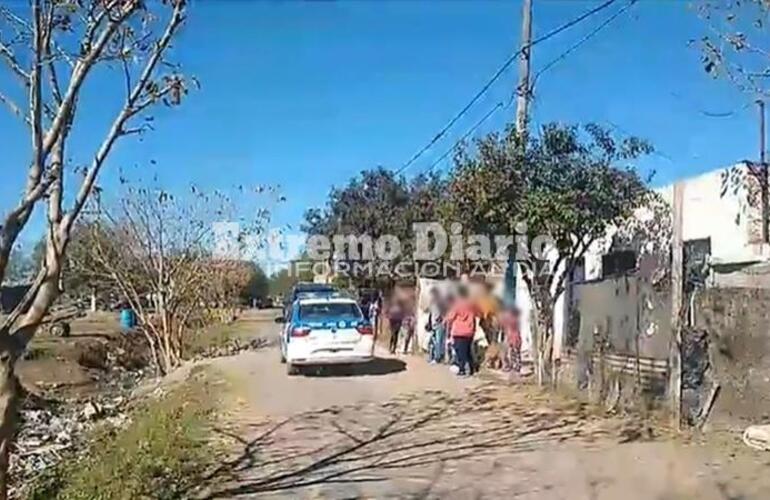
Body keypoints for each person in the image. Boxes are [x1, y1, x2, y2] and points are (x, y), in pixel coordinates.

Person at [443, 285, 479, 376]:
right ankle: (472, 367)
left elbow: (451, 316)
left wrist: (445, 320)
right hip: (470, 331)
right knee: (467, 351)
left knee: (460, 352)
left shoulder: (457, 304)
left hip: (459, 332)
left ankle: (462, 369)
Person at [427, 287, 447, 363]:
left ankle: (437, 357)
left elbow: (440, 315)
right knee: (433, 342)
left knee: (438, 341)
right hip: (434, 325)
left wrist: (437, 320)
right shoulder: (433, 304)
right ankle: (434, 356)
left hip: (438, 325)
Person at [499, 305, 522, 373]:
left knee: (514, 353)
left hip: (514, 340)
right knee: (514, 353)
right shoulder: (514, 322)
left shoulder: (512, 322)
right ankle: (515, 367)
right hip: (514, 340)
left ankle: (515, 367)